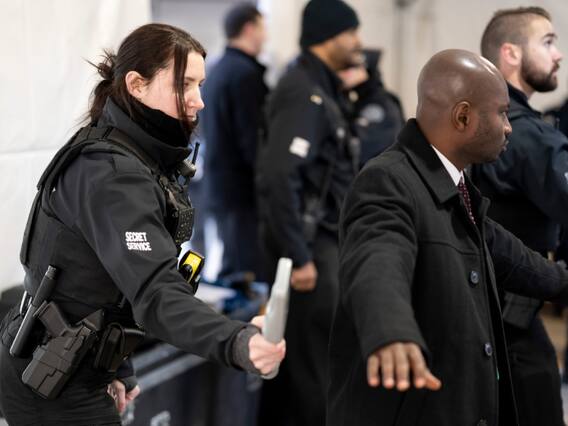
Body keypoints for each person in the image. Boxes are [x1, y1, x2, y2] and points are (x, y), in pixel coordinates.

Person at [0, 23, 285, 426]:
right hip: (51, 384)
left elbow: (105, 282)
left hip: (73, 366)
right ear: (136, 85)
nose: (199, 100)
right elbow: (156, 291)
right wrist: (238, 343)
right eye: (184, 85)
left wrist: (116, 365)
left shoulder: (130, 154)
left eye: (200, 85)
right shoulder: (112, 173)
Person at [327, 49, 568, 426]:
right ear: (463, 117)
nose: (508, 127)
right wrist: (391, 331)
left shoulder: (456, 190)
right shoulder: (388, 181)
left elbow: (521, 262)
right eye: (502, 113)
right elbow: (378, 260)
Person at [256, 1, 383, 424]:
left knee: (311, 368)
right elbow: (280, 176)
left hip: (324, 247)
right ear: (328, 36)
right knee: (313, 373)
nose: (358, 42)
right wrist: (299, 255)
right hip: (311, 253)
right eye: (351, 32)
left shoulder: (323, 88)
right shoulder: (303, 91)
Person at [470, 8, 567, 425]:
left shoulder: (476, 123)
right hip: (511, 325)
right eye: (547, 42)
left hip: (480, 317)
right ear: (510, 53)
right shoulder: (527, 135)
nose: (558, 54)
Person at [201, 2, 268, 280]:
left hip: (220, 186)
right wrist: (268, 182)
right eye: (263, 28)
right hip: (242, 191)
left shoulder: (217, 70)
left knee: (234, 265)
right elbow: (251, 138)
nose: (266, 36)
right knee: (246, 274)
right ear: (250, 29)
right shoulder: (244, 74)